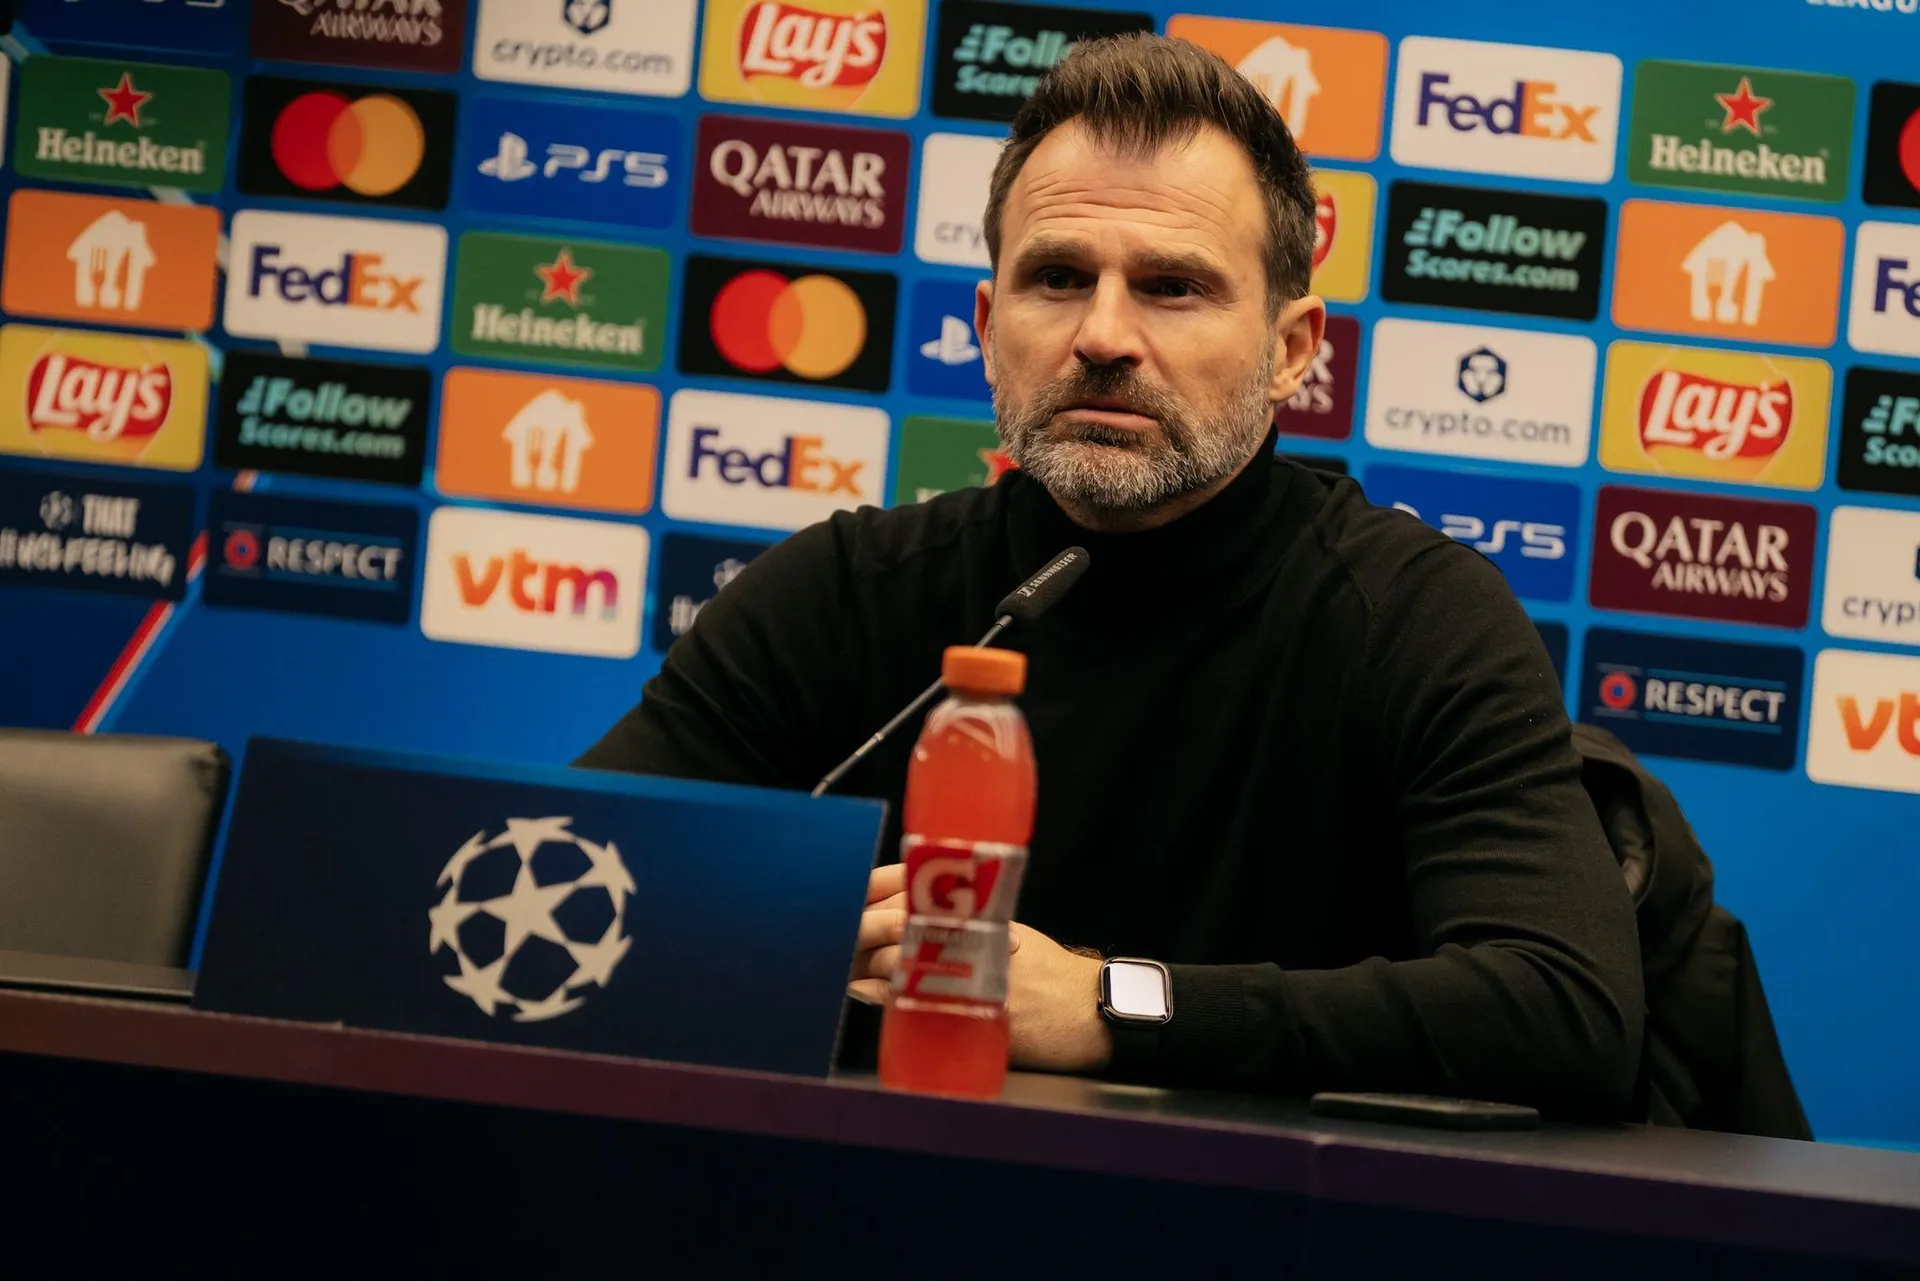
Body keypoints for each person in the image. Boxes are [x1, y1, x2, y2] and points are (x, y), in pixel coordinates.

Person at [578, 34, 1644, 1117]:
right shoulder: (844, 590)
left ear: (1291, 351)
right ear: (988, 325)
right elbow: (560, 881)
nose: (1101, 336)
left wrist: (1111, 1005)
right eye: (1057, 278)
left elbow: (1567, 1010)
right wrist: (778, 941)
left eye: (1172, 287)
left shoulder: (1413, 615)